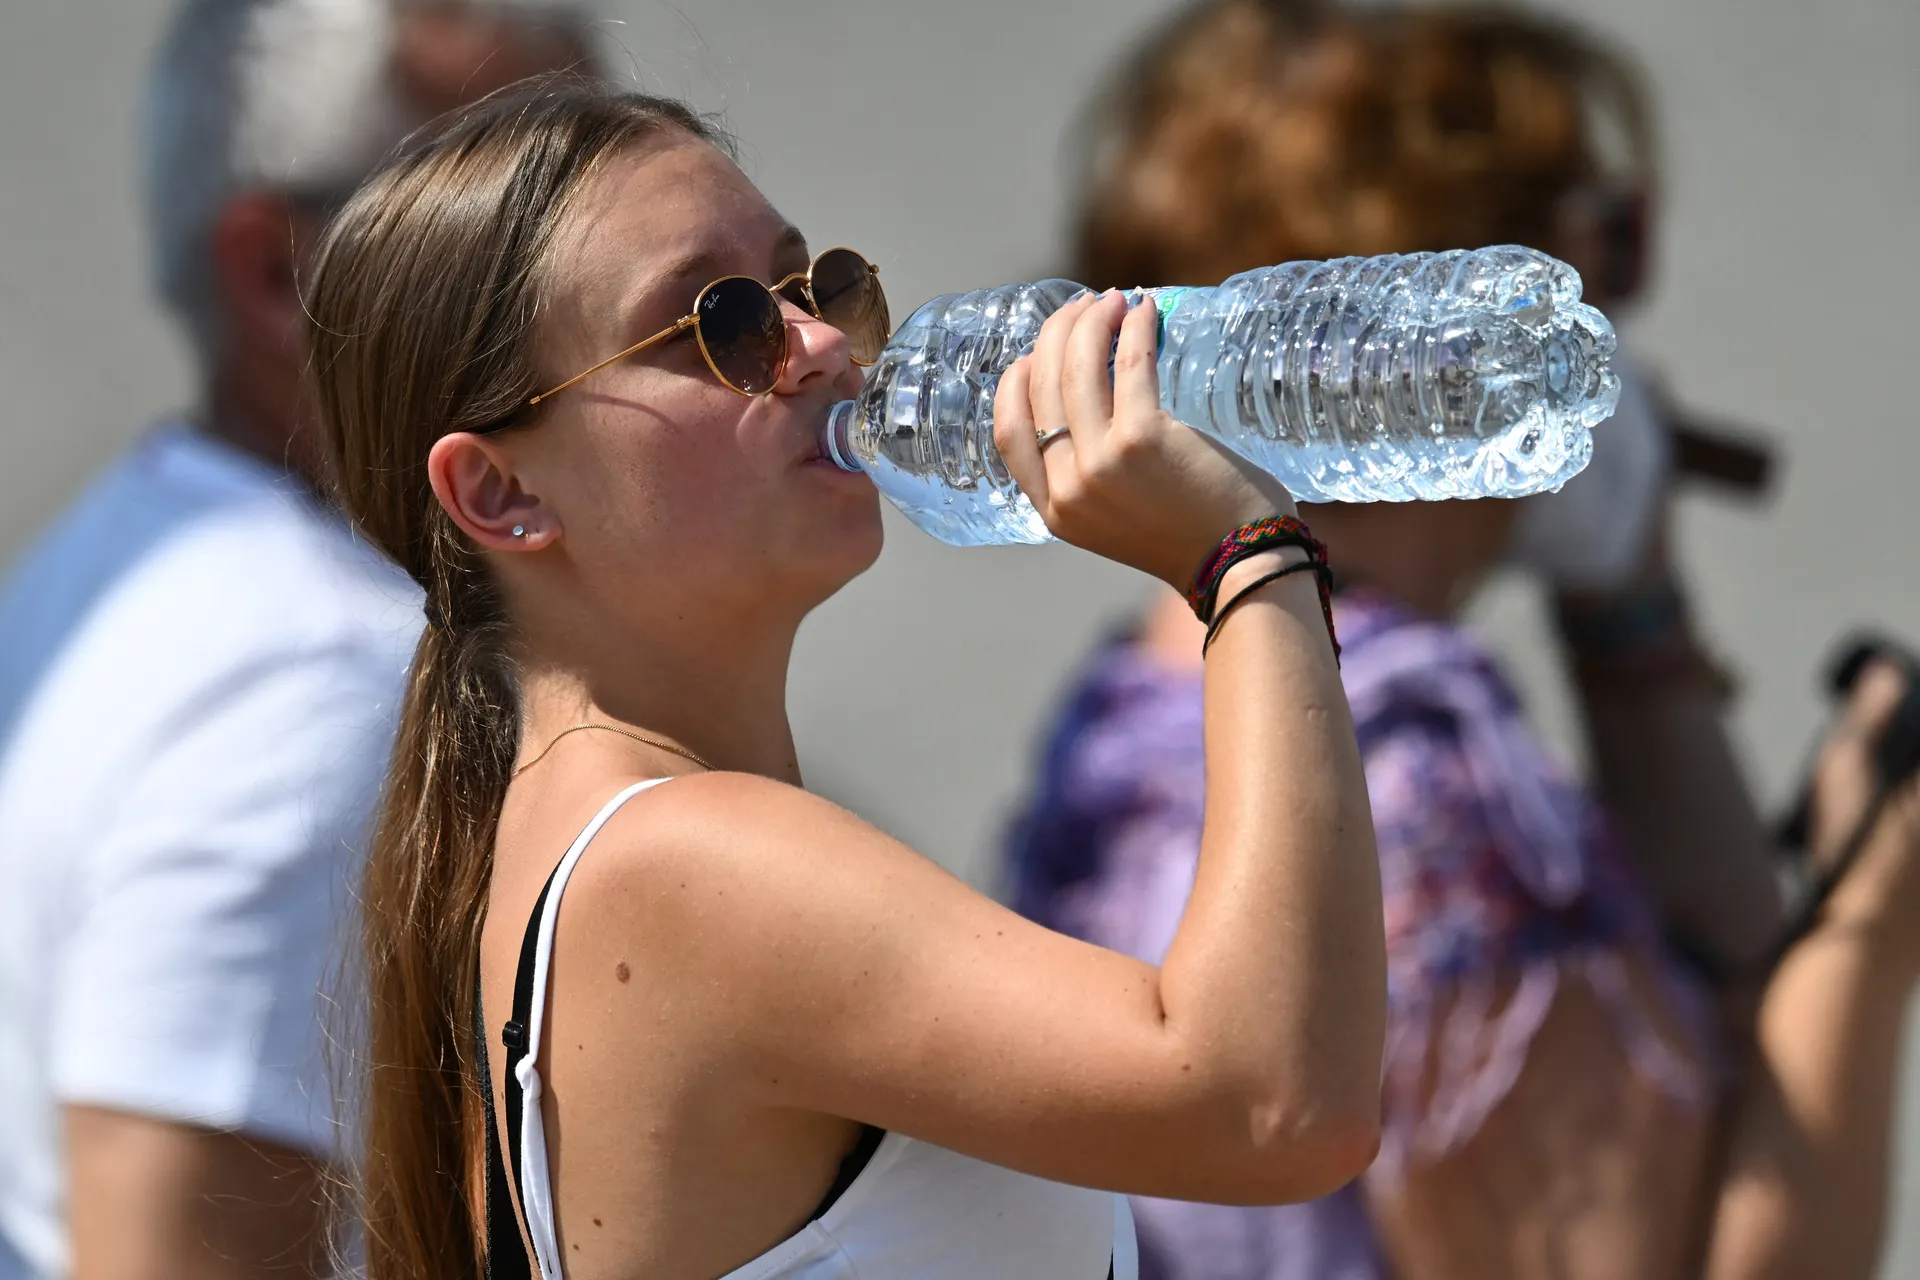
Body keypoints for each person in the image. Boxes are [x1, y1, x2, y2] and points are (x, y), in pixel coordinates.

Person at [302, 80, 1386, 1280]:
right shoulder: (683, 862)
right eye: (719, 323)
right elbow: (1272, 1102)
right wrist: (1245, 556)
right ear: (500, 492)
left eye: (808, 285)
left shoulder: (586, 849)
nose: (820, 346)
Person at [1006, 4, 1920, 1278]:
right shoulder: (1420, 784)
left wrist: (1628, 603)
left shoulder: (1132, 710)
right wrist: (1875, 899)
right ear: (1455, 320)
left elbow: (1717, 995)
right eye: (1601, 247)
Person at [0, 4, 596, 1276]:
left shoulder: (123, 560)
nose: (620, 265)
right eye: (521, 212)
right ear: (280, 275)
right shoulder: (329, 678)